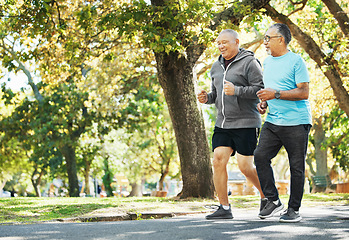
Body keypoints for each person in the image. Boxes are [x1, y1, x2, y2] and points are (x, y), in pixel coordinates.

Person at [197, 29, 265, 220]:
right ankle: (224, 208)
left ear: (236, 42)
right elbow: (217, 95)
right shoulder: (215, 66)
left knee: (245, 167)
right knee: (218, 159)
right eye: (218, 43)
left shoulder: (250, 62)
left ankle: (268, 196)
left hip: (246, 122)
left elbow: (260, 90)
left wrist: (237, 90)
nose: (221, 46)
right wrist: (207, 98)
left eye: (224, 42)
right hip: (223, 123)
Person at [254, 23, 312, 223]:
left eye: (268, 38)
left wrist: (276, 94)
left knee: (296, 166)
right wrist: (264, 103)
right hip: (273, 120)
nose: (265, 42)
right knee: (260, 156)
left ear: (281, 39)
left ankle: (293, 209)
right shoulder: (266, 62)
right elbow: (270, 91)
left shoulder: (296, 61)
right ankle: (273, 200)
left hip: (296, 121)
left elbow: (304, 92)